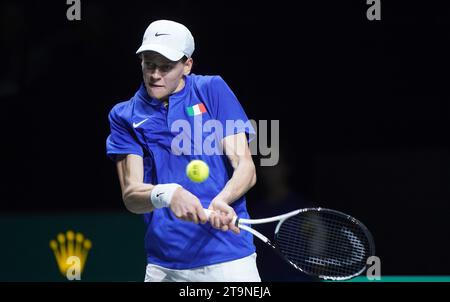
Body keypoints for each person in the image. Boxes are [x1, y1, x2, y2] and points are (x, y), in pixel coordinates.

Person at [106, 20, 260, 282]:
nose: (156, 75)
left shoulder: (211, 90)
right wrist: (168, 194)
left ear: (187, 65)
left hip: (228, 258)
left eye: (166, 67)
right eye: (149, 64)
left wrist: (222, 199)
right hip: (164, 265)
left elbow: (246, 167)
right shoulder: (124, 115)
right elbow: (132, 196)